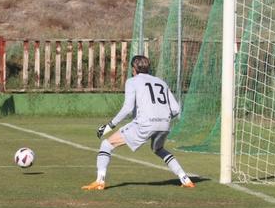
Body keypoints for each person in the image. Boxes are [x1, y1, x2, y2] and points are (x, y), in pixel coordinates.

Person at [81, 55, 195, 191]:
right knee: (158, 149)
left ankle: (100, 181)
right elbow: (176, 109)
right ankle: (185, 179)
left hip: (145, 124)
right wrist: (162, 117)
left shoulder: (132, 81)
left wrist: (109, 126)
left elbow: (127, 108)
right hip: (165, 124)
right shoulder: (161, 82)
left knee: (106, 144)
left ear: (134, 69)